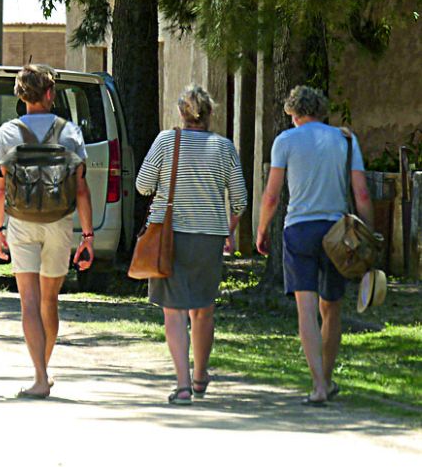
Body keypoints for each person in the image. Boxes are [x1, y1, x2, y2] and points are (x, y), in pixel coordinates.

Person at [256, 85, 373, 406]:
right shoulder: (345, 140)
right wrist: (369, 235)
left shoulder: (286, 141)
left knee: (305, 308)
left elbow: (272, 195)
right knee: (331, 307)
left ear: (293, 114)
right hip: (337, 232)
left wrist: (262, 228)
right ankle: (328, 378)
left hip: (298, 230)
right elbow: (361, 193)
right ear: (321, 111)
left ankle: (318, 384)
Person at [136, 84, 248, 405]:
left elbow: (143, 185)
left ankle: (182, 385)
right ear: (209, 114)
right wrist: (227, 228)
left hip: (169, 235)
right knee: (203, 309)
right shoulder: (224, 148)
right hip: (209, 237)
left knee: (174, 312)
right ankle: (201, 375)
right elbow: (239, 200)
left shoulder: (166, 141)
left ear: (182, 113)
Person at [0, 64, 94, 399]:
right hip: (60, 224)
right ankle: (42, 372)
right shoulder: (69, 131)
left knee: (29, 303)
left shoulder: (9, 132)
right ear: (50, 94)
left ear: (20, 96)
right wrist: (88, 236)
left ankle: (39, 375)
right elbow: (80, 188)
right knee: (50, 301)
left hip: (21, 223)